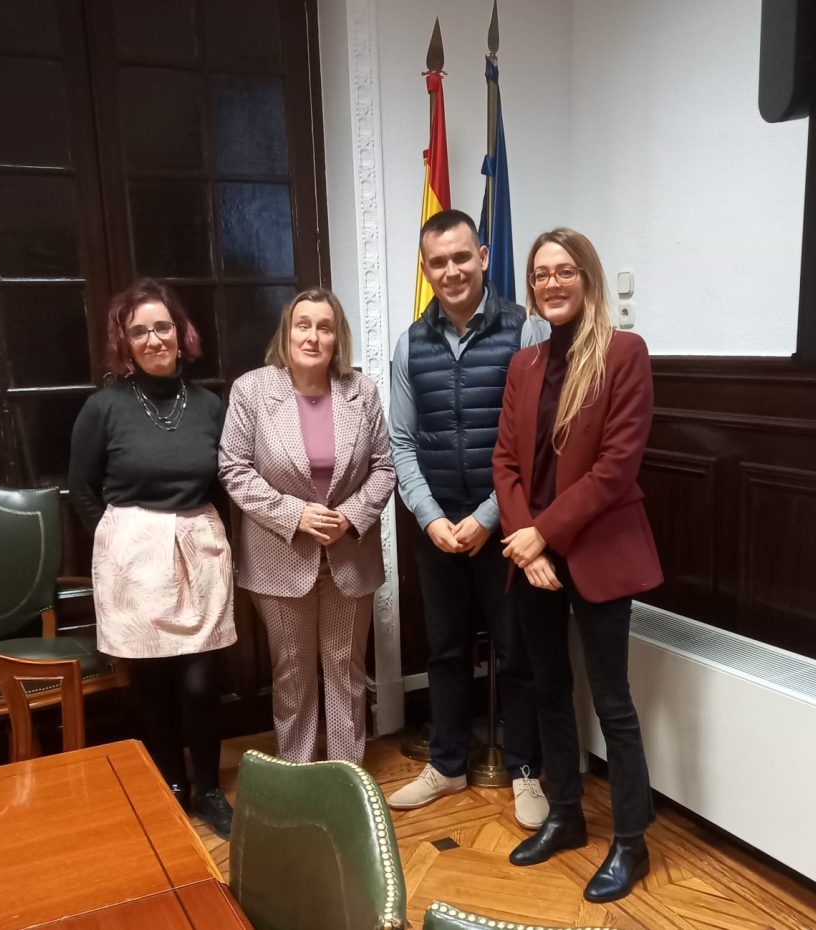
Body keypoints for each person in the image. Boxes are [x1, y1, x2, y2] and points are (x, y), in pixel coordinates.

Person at [492, 227, 663, 903]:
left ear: (587, 278)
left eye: (564, 271)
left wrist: (543, 535)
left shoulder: (624, 353)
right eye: (540, 274)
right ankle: (564, 815)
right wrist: (524, 540)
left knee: (613, 701)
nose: (551, 283)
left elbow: (615, 468)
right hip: (532, 555)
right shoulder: (523, 364)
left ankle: (631, 842)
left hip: (596, 551)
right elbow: (505, 462)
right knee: (545, 688)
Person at [386, 209, 549, 830]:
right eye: (437, 262)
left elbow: (534, 442)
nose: (450, 271)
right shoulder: (411, 342)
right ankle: (447, 763)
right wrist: (429, 517)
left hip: (507, 527)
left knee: (517, 652)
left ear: (483, 256)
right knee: (446, 649)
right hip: (438, 531)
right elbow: (401, 441)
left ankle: (525, 768)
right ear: (425, 270)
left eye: (460, 258)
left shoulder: (524, 332)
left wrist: (488, 516)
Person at [68, 278, 236, 838]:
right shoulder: (103, 407)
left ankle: (209, 788)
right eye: (138, 330)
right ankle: (171, 784)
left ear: (180, 332)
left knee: (199, 683)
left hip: (199, 549)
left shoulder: (211, 404)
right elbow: (82, 487)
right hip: (131, 559)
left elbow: (225, 480)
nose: (153, 338)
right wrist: (119, 543)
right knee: (154, 685)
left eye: (162, 326)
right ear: (125, 341)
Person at [218, 287, 395, 764]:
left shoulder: (363, 392)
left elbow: (385, 468)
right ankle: (296, 775)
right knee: (292, 672)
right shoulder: (252, 390)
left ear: (338, 338)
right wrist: (294, 515)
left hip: (348, 557)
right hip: (280, 559)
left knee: (345, 669)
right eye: (304, 325)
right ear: (287, 332)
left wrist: (351, 517)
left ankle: (345, 774)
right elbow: (233, 467)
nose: (313, 336)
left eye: (325, 326)